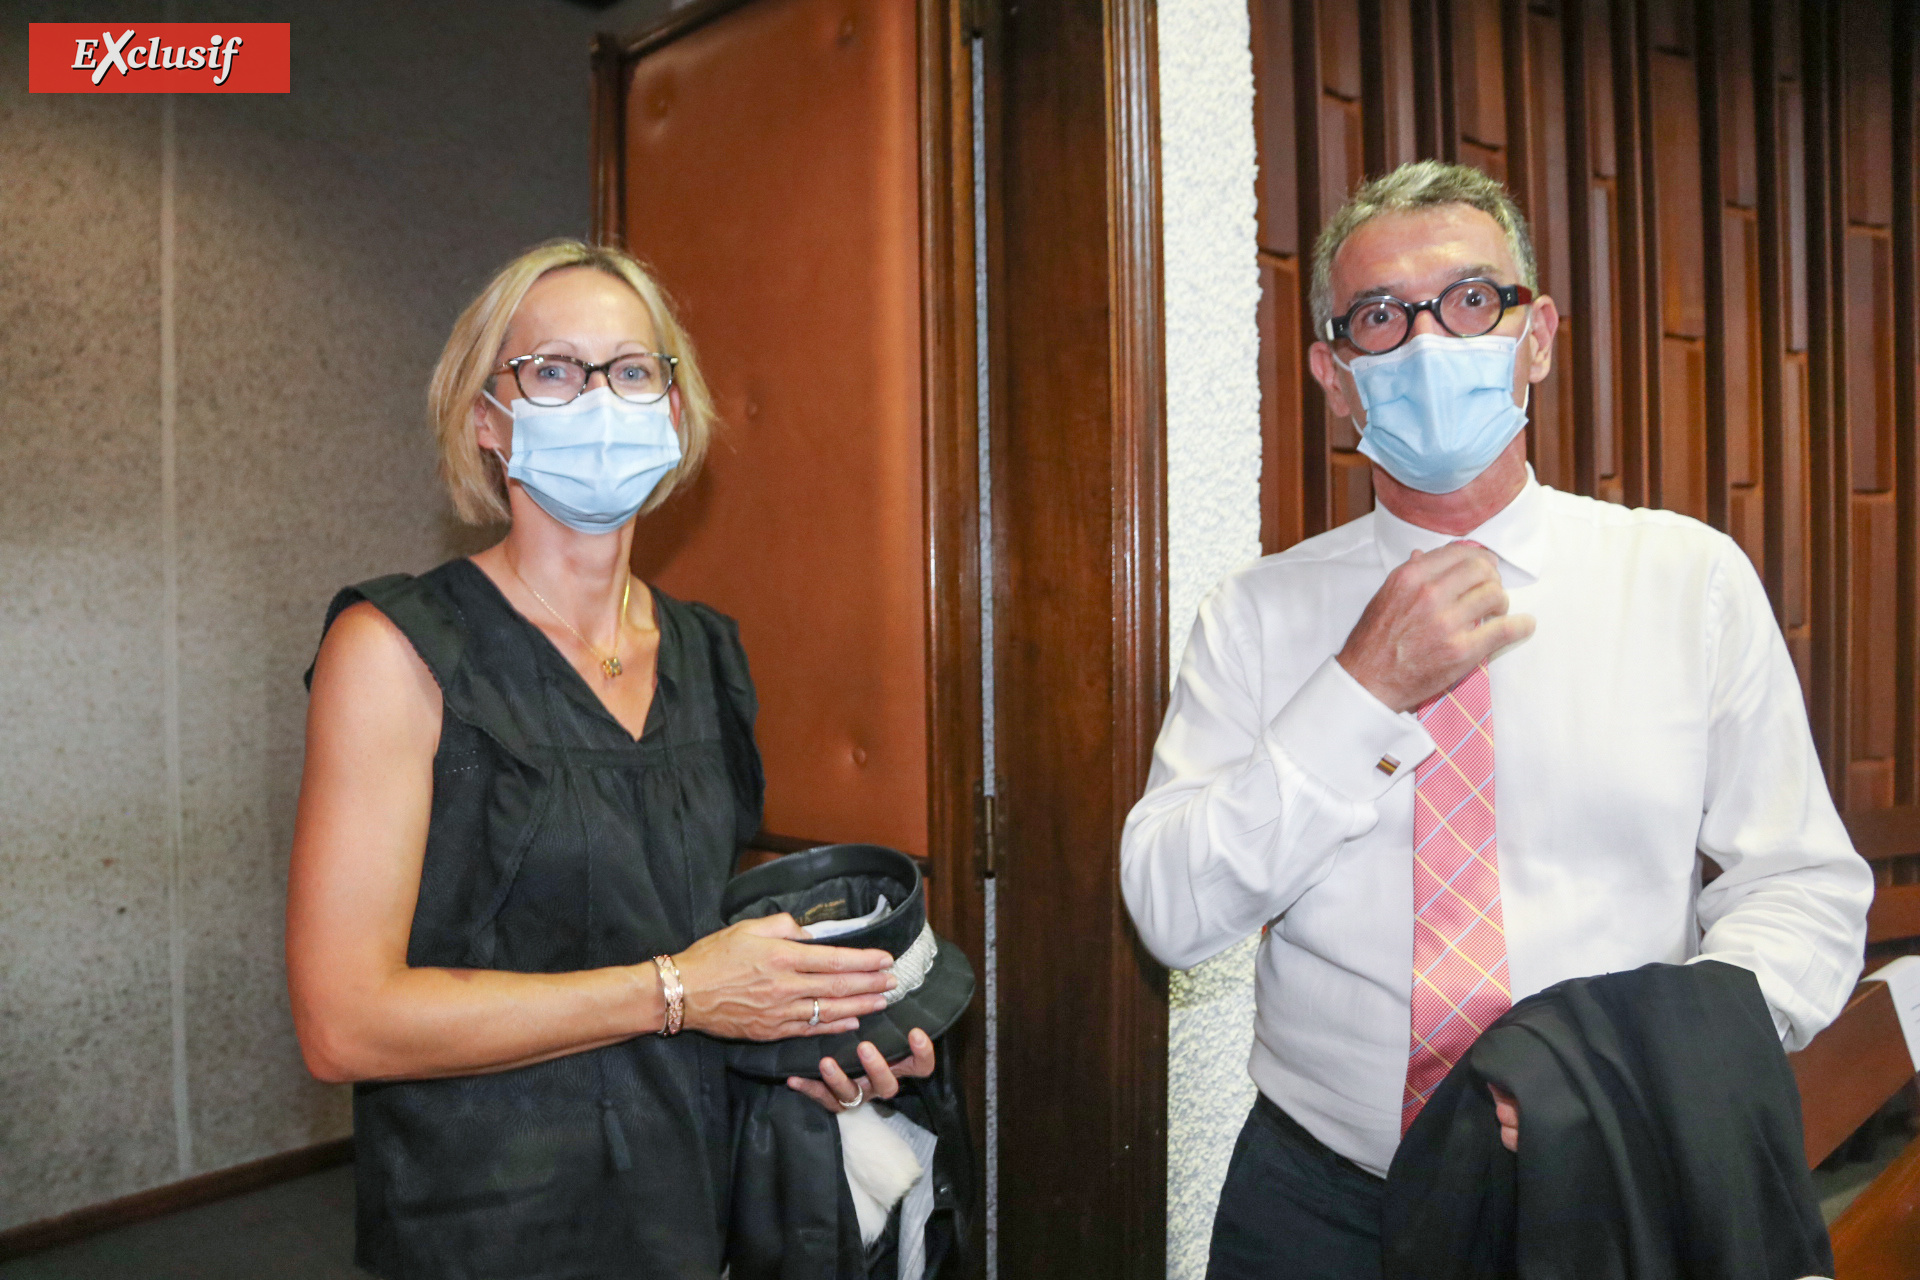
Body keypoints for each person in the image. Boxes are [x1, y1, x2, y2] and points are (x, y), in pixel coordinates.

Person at [1119, 161, 1872, 1280]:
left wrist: (1638, 1069)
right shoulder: (1257, 614)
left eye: (1472, 301)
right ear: (1335, 376)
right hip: (1319, 1200)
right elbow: (1171, 910)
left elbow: (1802, 884)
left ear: (1539, 336)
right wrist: (1361, 690)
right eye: (1381, 317)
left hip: (1612, 1178)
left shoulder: (1686, 579)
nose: (1429, 343)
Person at [286, 239, 935, 1279]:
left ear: (672, 413)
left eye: (632, 370)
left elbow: (695, 943)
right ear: (487, 420)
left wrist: (817, 1041)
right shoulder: (396, 649)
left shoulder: (709, 653)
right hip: (488, 1227)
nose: (599, 399)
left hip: (693, 1208)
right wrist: (676, 990)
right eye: (553, 370)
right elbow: (344, 1021)